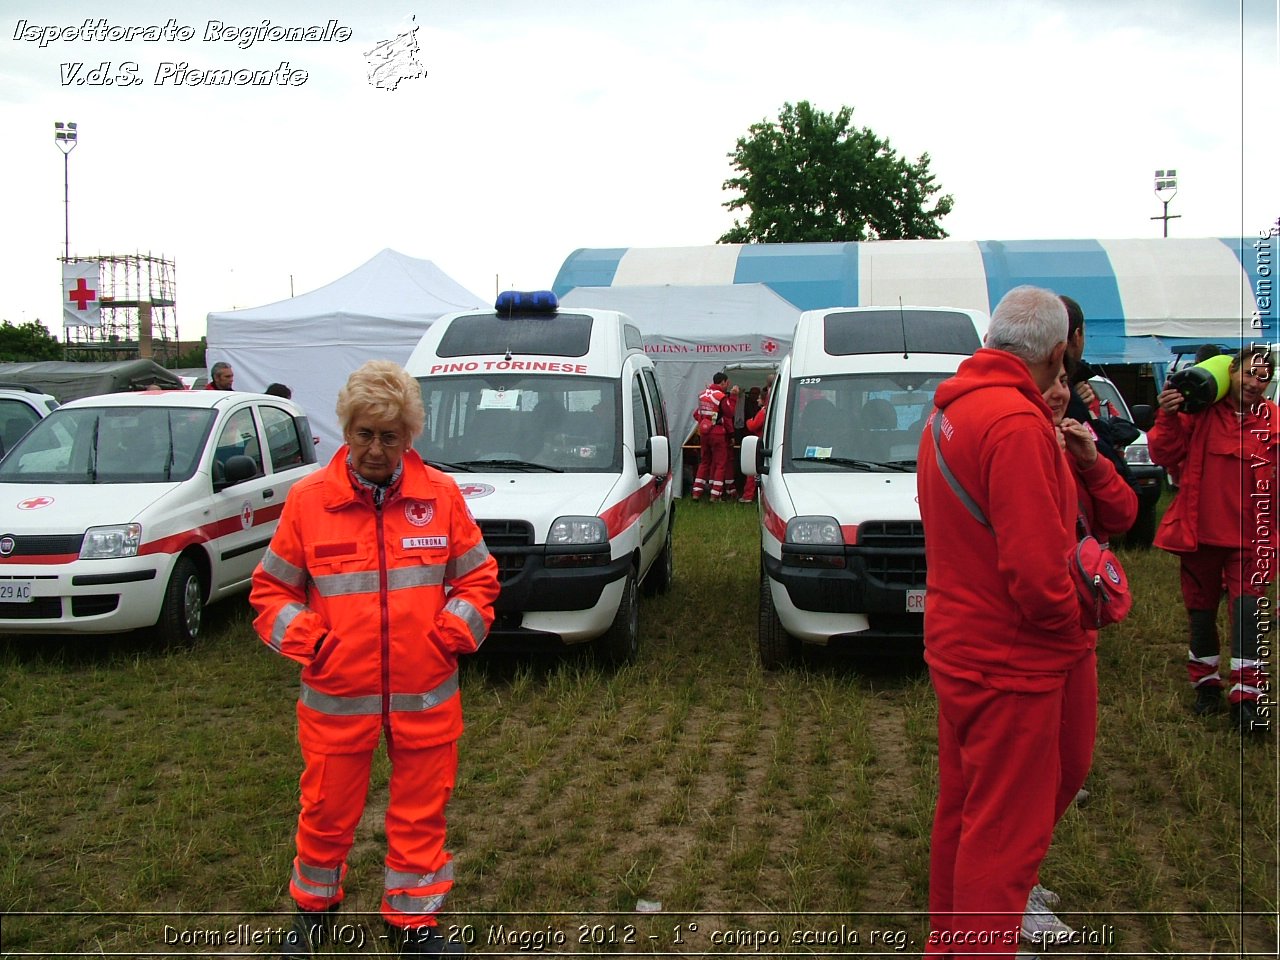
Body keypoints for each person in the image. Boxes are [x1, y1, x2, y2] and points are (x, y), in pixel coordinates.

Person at [250, 360, 500, 959]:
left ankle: (413, 924)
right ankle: (313, 915)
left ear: (409, 437)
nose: (375, 449)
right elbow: (270, 592)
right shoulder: (310, 501)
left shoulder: (439, 497)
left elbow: (480, 581)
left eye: (390, 436)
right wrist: (314, 642)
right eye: (364, 433)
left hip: (425, 694)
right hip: (337, 697)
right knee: (326, 813)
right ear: (346, 431)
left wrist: (448, 636)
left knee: (420, 816)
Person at [917, 285, 1086, 958]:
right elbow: (1039, 577)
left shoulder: (950, 408)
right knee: (1005, 837)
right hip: (1010, 659)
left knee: (962, 815)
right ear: (1053, 352)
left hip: (959, 644)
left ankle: (949, 944)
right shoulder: (1015, 424)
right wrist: (1080, 620)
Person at [1018, 367, 1138, 941]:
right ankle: (1011, 897)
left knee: (1070, 765)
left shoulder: (1070, 440)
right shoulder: (1015, 442)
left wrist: (1091, 459)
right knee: (1028, 774)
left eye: (1064, 378)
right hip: (1038, 634)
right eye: (1048, 379)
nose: (1058, 390)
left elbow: (1122, 517)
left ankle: (1021, 873)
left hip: (1077, 630)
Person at [1147, 345, 1279, 733]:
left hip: (1252, 542)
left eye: (1263, 377)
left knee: (1248, 616)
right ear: (1230, 372)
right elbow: (1163, 452)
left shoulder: (1273, 422)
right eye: (1249, 374)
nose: (1255, 383)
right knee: (1201, 614)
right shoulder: (1198, 414)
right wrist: (1168, 413)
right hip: (1200, 537)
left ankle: (1248, 699)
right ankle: (1206, 685)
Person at [690, 372, 737, 502]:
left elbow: (696, 414)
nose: (728, 385)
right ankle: (715, 495)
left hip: (704, 433)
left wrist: (705, 422)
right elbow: (730, 413)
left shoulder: (702, 395)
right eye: (727, 383)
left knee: (704, 462)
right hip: (718, 433)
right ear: (722, 382)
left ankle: (696, 492)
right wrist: (733, 397)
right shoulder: (720, 396)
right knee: (720, 464)